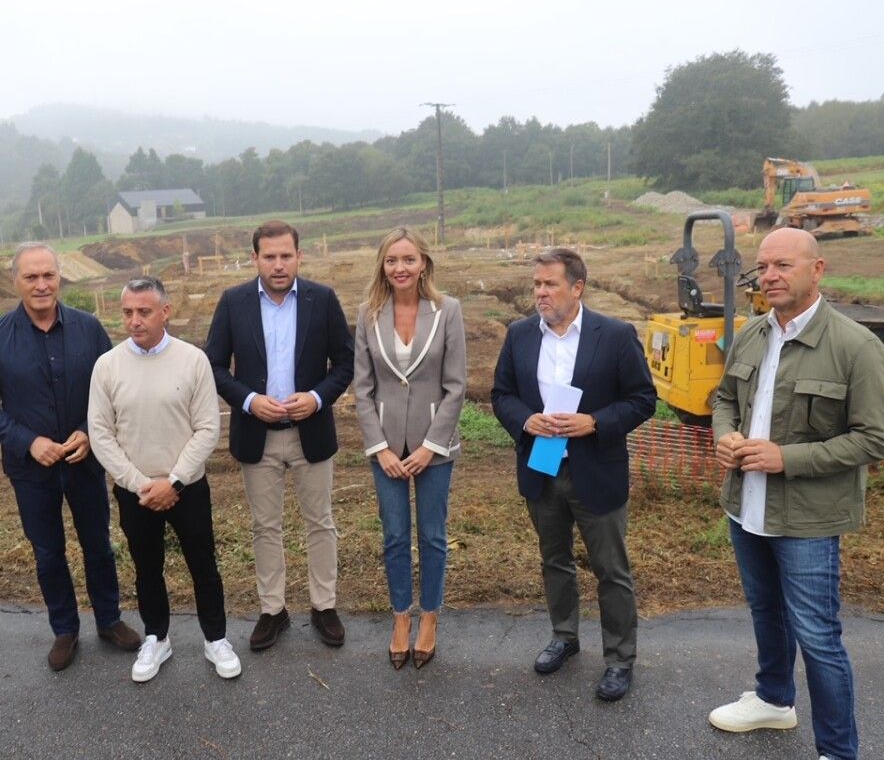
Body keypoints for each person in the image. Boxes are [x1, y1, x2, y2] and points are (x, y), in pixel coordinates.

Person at [709, 228, 884, 760]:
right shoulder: (752, 333)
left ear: (817, 270)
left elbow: (877, 438)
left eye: (783, 266)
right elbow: (724, 399)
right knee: (766, 611)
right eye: (763, 266)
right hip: (746, 507)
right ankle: (773, 699)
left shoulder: (855, 346)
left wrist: (786, 458)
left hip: (808, 520)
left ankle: (838, 750)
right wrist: (726, 434)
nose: (769, 276)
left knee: (817, 636)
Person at [491, 248, 655, 702]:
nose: (540, 293)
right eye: (537, 285)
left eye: (550, 285)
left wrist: (595, 422)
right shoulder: (520, 334)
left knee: (611, 570)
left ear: (577, 287)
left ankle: (620, 660)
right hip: (541, 469)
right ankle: (564, 636)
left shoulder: (616, 335)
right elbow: (501, 394)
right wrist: (527, 419)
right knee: (554, 560)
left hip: (595, 469)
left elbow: (643, 399)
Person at [0, 242, 140, 672]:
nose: (42, 284)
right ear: (16, 282)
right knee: (48, 552)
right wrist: (29, 442)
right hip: (31, 470)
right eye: (32, 277)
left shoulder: (89, 328)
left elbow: (110, 391)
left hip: (85, 462)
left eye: (49, 275)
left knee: (98, 545)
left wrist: (88, 432)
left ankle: (109, 618)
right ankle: (64, 630)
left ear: (59, 278)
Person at [204, 220, 354, 651]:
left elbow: (344, 363)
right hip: (258, 434)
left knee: (320, 523)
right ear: (255, 259)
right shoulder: (233, 302)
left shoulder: (321, 299)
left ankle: (324, 606)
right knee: (265, 527)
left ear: (299, 256)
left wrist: (318, 398)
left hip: (311, 432)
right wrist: (250, 400)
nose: (278, 264)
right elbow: (214, 365)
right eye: (269, 256)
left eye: (286, 255)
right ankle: (273, 610)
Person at [87, 277, 240, 682]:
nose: (134, 321)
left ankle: (216, 638)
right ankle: (156, 637)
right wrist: (140, 484)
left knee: (202, 563)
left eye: (144, 312)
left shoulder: (193, 360)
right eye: (127, 312)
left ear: (165, 312)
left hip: (186, 488)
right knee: (146, 566)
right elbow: (100, 432)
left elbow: (207, 428)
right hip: (134, 491)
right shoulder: (108, 365)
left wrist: (174, 481)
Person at [353, 228, 466, 669]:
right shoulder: (367, 313)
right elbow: (362, 390)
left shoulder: (447, 310)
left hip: (433, 447)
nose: (400, 268)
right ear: (382, 266)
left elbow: (456, 387)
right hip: (386, 450)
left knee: (433, 536)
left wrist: (431, 447)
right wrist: (379, 447)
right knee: (396, 536)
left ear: (424, 264)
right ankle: (401, 617)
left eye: (409, 259)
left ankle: (430, 618)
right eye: (392, 260)